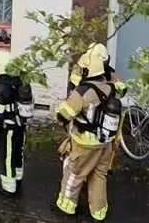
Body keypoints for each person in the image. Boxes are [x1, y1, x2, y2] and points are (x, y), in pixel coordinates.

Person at [55, 43, 121, 220]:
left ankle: (66, 207)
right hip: (105, 142)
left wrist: (65, 99)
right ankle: (99, 212)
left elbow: (64, 114)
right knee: (99, 175)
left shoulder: (83, 92)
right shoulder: (111, 86)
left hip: (84, 143)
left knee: (74, 175)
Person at [0, 50, 29, 195]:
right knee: (18, 153)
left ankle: (8, 187)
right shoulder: (20, 82)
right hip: (21, 126)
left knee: (7, 157)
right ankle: (18, 177)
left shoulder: (0, 88)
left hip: (8, 129)